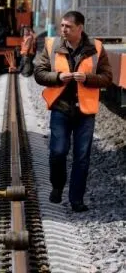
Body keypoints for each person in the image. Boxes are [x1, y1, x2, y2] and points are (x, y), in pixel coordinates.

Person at [34, 11, 112, 212]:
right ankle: (57, 186)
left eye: (68, 26)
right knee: (58, 152)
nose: (63, 30)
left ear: (80, 28)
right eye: (62, 26)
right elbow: (39, 73)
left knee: (82, 157)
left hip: (85, 111)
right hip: (60, 108)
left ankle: (76, 200)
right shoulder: (52, 46)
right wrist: (59, 77)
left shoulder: (96, 48)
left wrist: (87, 79)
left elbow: (107, 78)